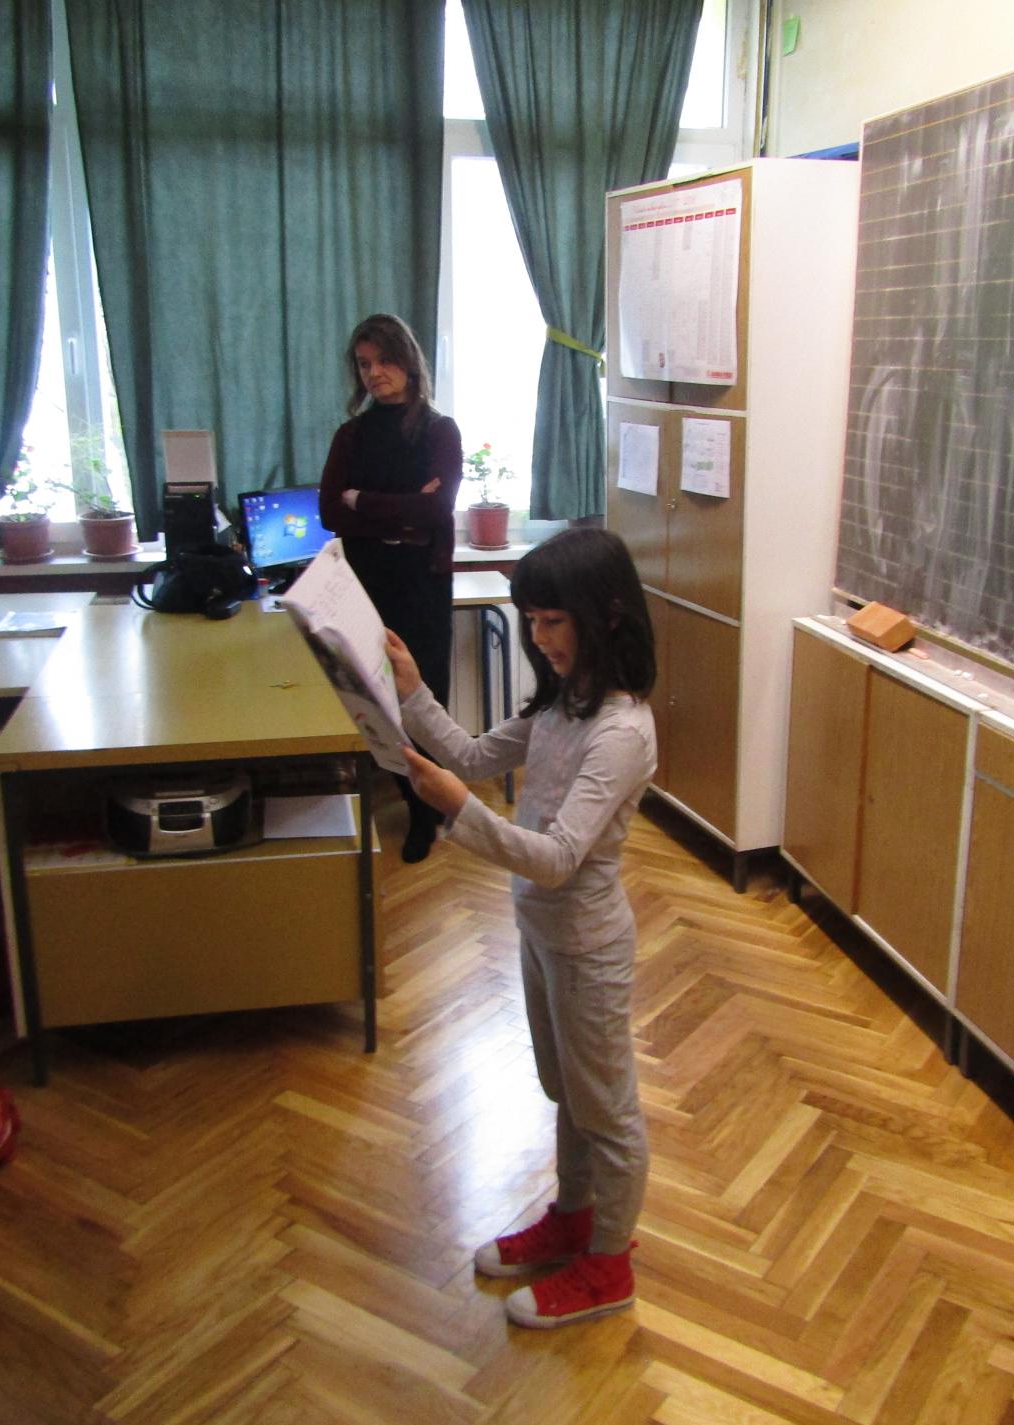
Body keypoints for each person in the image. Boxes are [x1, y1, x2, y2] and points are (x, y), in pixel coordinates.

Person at [388, 527, 659, 1329]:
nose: (539, 639)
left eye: (552, 621)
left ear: (607, 614)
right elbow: (474, 755)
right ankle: (574, 1218)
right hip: (542, 934)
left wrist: (459, 812)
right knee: (566, 1091)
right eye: (531, 621)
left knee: (606, 1110)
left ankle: (609, 1265)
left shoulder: (620, 731)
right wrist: (412, 691)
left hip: (587, 944)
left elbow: (557, 858)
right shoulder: (563, 704)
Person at [319, 312, 462, 863]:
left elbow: (437, 509)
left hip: (422, 583)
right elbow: (331, 513)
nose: (374, 373)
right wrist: (404, 508)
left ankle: (433, 804)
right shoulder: (352, 435)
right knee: (381, 703)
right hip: (368, 583)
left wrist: (364, 500)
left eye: (384, 360)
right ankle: (418, 807)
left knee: (425, 697)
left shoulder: (439, 431)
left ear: (408, 361)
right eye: (364, 364)